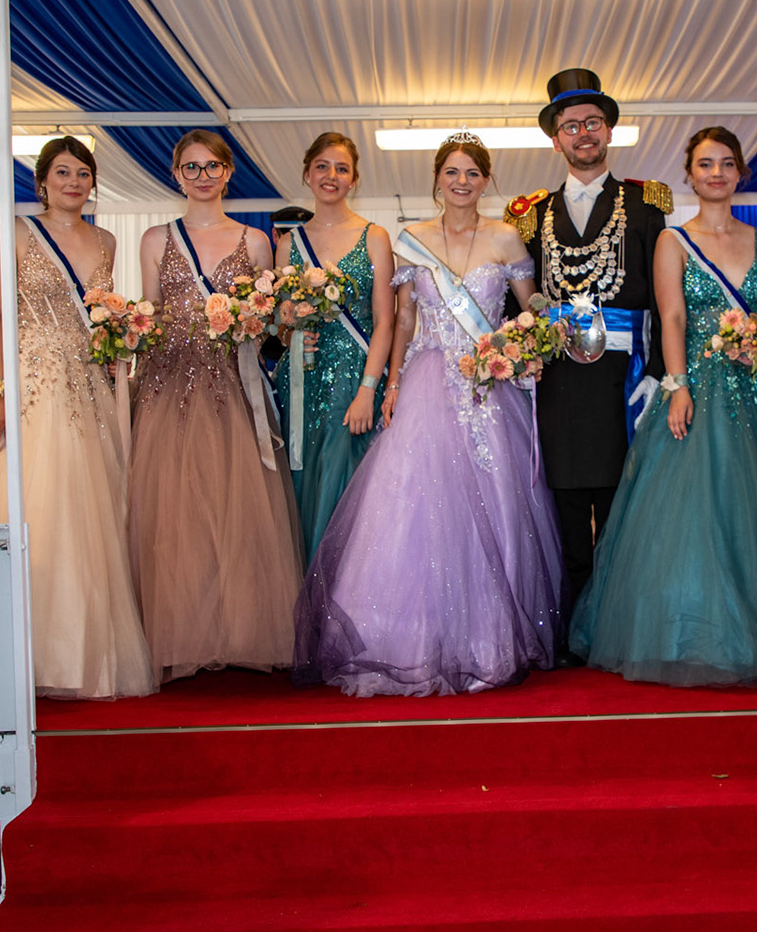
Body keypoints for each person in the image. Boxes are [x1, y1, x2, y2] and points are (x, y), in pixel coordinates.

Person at [294, 134, 561, 696]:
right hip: (427, 382)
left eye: (472, 173)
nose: (462, 182)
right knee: (418, 512)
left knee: (498, 505)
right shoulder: (411, 239)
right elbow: (404, 321)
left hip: (489, 385)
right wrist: (392, 384)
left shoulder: (505, 236)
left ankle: (487, 639)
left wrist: (533, 341)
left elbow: (530, 309)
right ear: (437, 178)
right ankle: (411, 639)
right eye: (452, 172)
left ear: (486, 180)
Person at [571, 128, 757, 685]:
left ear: (741, 173)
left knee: (746, 514)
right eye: (705, 164)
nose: (717, 173)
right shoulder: (674, 240)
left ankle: (744, 631)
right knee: (693, 516)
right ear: (689, 175)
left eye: (727, 164)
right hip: (695, 389)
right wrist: (678, 385)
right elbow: (670, 317)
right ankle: (686, 634)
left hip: (752, 390)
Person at [0, 138, 154, 700]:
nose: (73, 182)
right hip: (30, 382)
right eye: (62, 172)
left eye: (82, 173)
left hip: (90, 385)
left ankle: (79, 656)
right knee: (36, 508)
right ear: (42, 182)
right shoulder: (16, 232)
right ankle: (21, 654)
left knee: (89, 515)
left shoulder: (107, 241)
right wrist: (1, 390)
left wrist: (121, 339)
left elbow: (100, 317)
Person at [129, 130, 303, 680]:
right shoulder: (155, 239)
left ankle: (238, 631)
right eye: (191, 167)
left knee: (237, 512)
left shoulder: (255, 240)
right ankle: (182, 633)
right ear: (176, 174)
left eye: (212, 166)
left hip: (232, 384)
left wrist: (272, 321)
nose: (202, 176)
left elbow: (269, 324)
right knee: (174, 516)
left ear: (228, 173)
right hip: (168, 388)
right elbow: (149, 314)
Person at [512, 68, 668, 643]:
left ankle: (619, 626)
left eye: (593, 123)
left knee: (625, 502)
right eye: (571, 125)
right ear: (555, 139)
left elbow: (665, 300)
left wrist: (658, 374)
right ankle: (573, 630)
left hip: (625, 380)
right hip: (559, 382)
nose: (584, 133)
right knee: (566, 509)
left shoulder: (646, 205)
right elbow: (515, 303)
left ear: (609, 131)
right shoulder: (529, 216)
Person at [272, 132, 395, 557]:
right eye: (322, 166)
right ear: (307, 173)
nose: (331, 175)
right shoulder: (288, 244)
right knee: (304, 483)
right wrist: (290, 330)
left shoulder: (374, 236)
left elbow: (385, 321)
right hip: (301, 382)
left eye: (342, 169)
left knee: (344, 487)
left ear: (354, 179)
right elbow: (280, 323)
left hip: (354, 381)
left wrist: (367, 390)